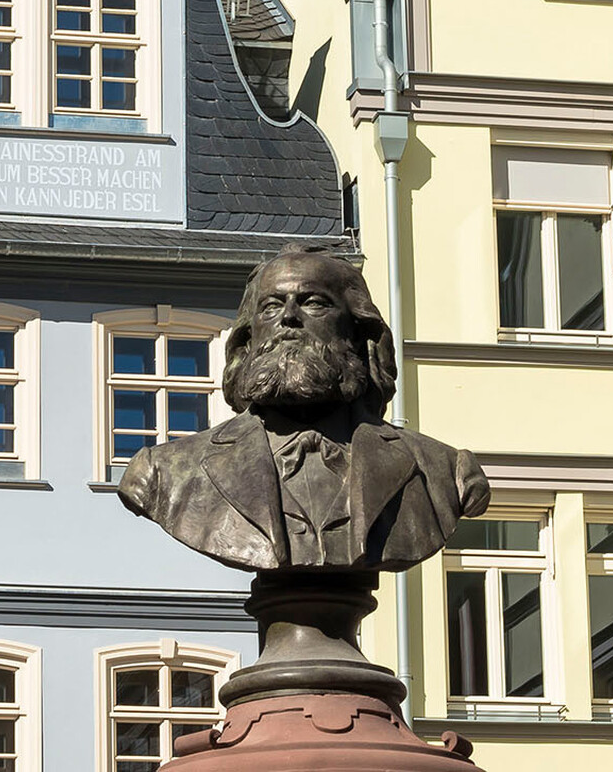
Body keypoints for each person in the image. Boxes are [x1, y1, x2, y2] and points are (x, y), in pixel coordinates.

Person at [119, 245, 491, 572]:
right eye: (271, 306)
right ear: (249, 338)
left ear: (359, 332)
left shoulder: (444, 472)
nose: (289, 317)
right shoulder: (162, 473)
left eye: (314, 302)